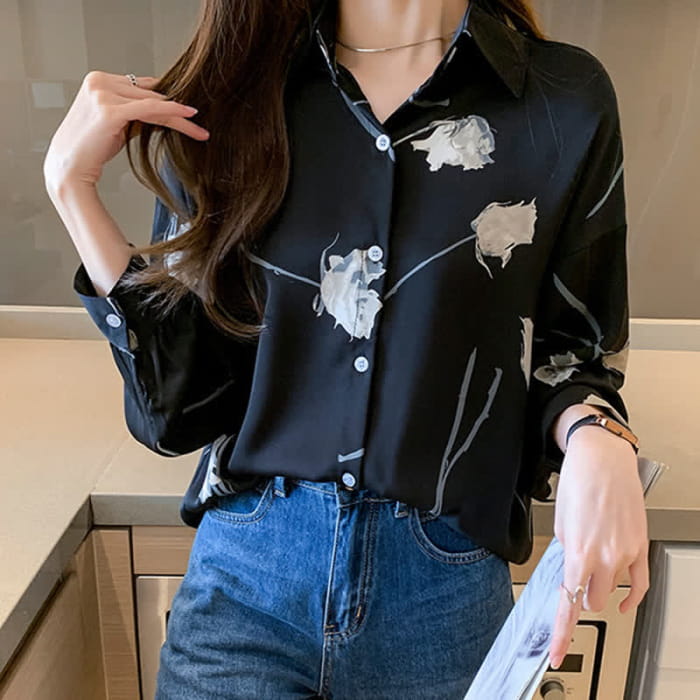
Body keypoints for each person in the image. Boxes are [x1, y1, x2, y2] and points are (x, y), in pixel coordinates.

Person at [44, 0, 650, 697]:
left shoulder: (563, 100)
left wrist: (596, 432)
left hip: (443, 596)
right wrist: (75, 193)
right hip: (246, 583)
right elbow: (179, 411)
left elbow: (573, 351)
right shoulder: (233, 91)